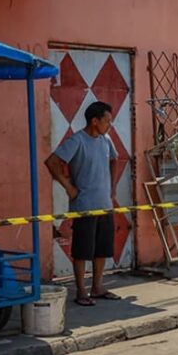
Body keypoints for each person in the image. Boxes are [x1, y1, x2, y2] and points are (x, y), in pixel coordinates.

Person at [45, 101, 120, 307]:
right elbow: (52, 162)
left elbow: (115, 159)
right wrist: (68, 187)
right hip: (84, 206)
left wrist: (112, 187)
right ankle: (81, 291)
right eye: (106, 121)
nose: (109, 125)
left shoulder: (106, 140)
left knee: (102, 249)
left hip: (104, 204)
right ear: (95, 121)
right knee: (82, 250)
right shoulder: (77, 140)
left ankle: (98, 287)